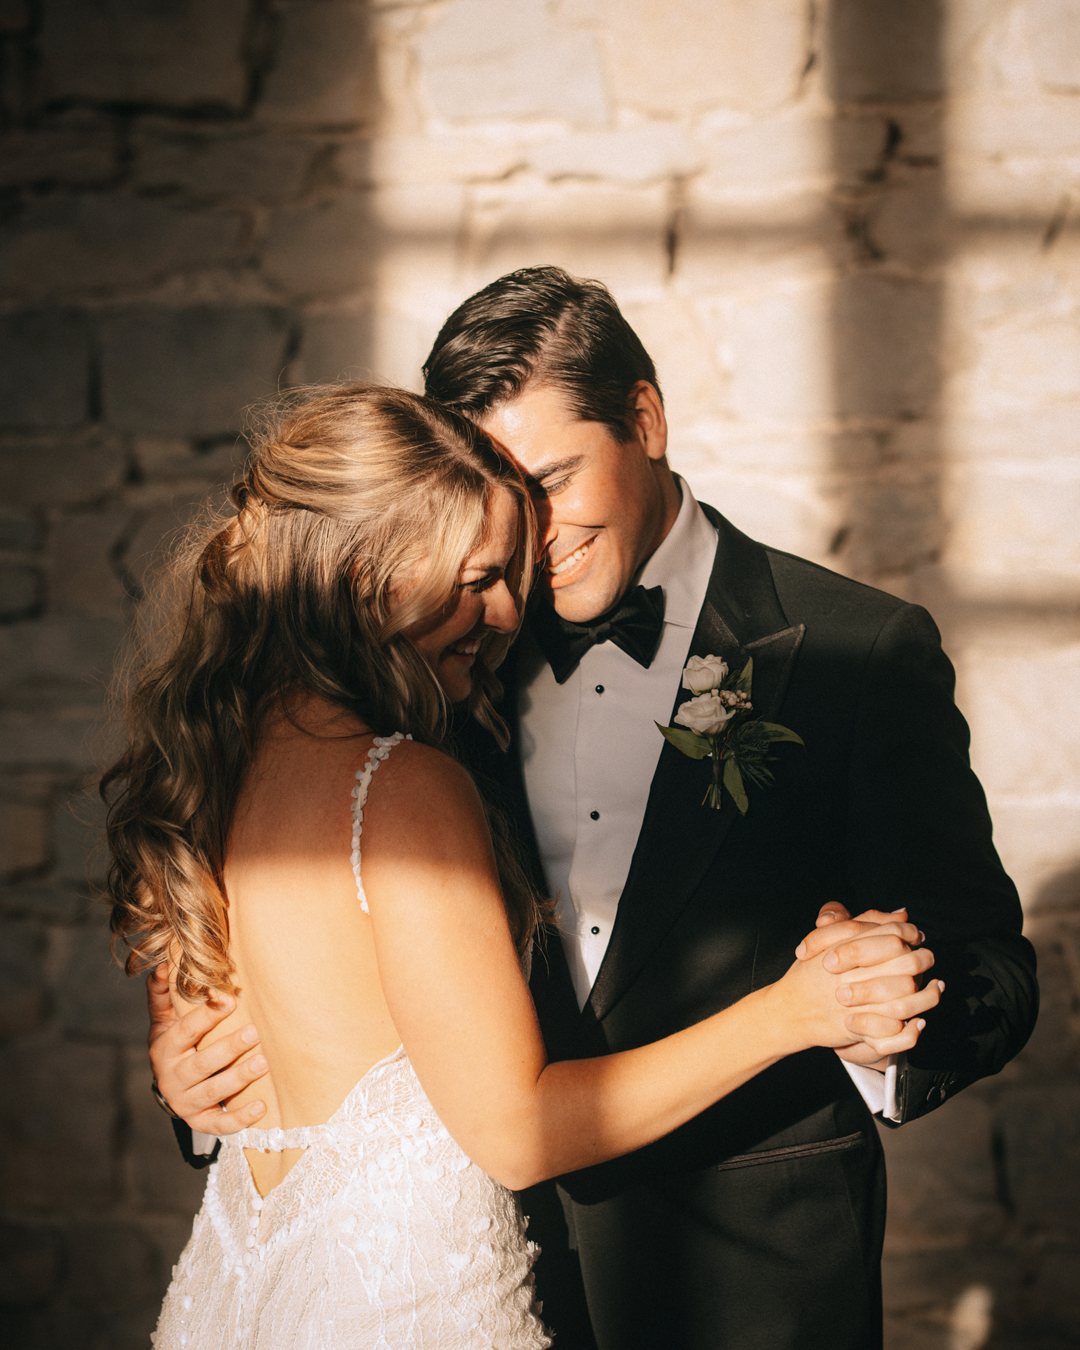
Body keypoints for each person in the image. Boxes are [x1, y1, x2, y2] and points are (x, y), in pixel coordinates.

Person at [148, 270, 1039, 1350]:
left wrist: (881, 1010)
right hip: (475, 1266)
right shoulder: (435, 659)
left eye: (554, 477)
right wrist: (206, 1074)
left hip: (753, 1284)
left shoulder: (858, 651)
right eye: (501, 499)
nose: (532, 538)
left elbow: (987, 963)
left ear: (647, 420)